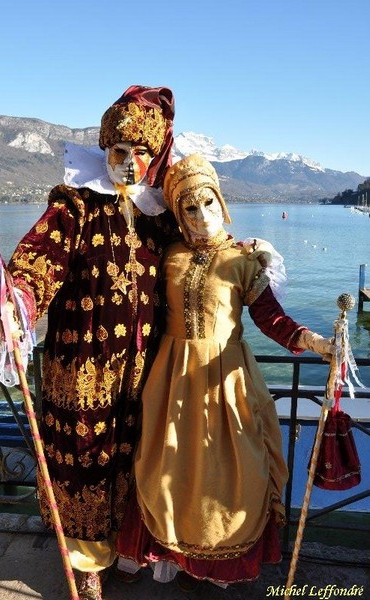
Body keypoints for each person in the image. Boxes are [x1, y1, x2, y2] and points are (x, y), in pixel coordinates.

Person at [0, 85, 179, 600]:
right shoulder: (73, 206)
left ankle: (125, 547)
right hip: (81, 372)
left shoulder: (159, 218)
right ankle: (83, 561)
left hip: (140, 374)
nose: (132, 163)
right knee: (82, 461)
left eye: (144, 153)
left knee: (130, 460)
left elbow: (196, 261)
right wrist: (19, 300)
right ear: (105, 148)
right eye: (122, 151)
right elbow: (36, 261)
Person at [115, 153, 335, 590]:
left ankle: (215, 569)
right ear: (179, 214)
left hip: (226, 379)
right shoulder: (169, 255)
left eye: (208, 204)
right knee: (168, 470)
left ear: (222, 203)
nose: (201, 216)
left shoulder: (243, 259)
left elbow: (271, 318)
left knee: (231, 474)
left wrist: (316, 343)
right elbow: (141, 309)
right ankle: (177, 556)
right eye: (190, 208)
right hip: (171, 379)